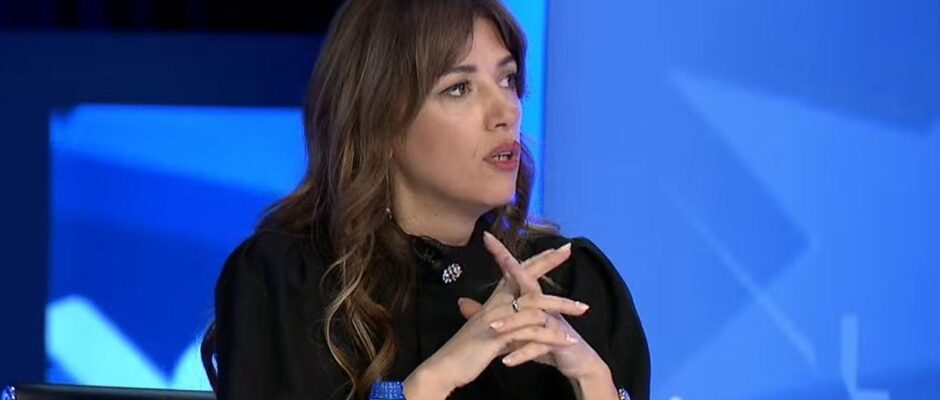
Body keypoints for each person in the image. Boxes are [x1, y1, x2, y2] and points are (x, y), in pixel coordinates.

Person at [200, 0, 650, 399]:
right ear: (380, 123)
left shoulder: (570, 283)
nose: (507, 110)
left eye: (508, 78)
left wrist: (594, 383)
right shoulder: (288, 283)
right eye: (459, 88)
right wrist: (436, 378)